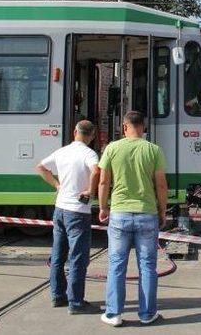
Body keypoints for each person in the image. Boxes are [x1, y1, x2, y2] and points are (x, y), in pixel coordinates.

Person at [98, 111, 168, 327]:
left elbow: (103, 182)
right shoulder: (153, 150)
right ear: (143, 127)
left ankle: (114, 314)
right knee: (147, 266)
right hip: (147, 214)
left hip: (119, 214)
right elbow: (161, 185)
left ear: (124, 126)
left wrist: (103, 208)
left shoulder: (112, 148)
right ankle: (147, 314)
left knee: (116, 265)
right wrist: (162, 211)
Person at [36, 120, 100, 314]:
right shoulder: (89, 153)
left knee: (58, 255)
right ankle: (76, 302)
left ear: (75, 132)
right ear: (92, 136)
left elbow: (40, 167)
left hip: (60, 209)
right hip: (78, 212)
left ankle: (58, 296)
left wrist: (56, 185)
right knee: (78, 258)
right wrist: (90, 190)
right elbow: (97, 170)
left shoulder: (62, 151)